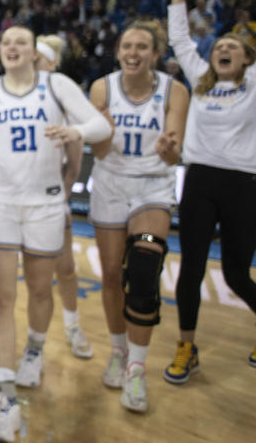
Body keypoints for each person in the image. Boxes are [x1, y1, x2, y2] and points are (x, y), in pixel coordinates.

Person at [0, 25, 111, 441]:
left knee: (37, 288)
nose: (14, 48)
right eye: (7, 43)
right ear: (1, 52)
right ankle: (5, 401)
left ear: (35, 53)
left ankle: (33, 351)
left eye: (22, 43)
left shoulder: (57, 84)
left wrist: (76, 132)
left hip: (45, 203)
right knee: (0, 299)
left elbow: (101, 128)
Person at [165, 0, 256, 382]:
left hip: (246, 183)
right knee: (190, 268)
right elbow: (180, 38)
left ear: (248, 58)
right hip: (199, 179)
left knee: (237, 273)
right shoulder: (200, 81)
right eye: (219, 44)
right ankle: (186, 347)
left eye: (233, 46)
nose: (223, 49)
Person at [87, 21, 188, 412]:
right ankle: (117, 350)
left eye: (142, 47)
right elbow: (97, 153)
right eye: (127, 45)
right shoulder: (102, 88)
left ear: (155, 54)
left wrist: (168, 148)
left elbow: (174, 154)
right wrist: (104, 134)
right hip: (110, 184)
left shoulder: (174, 91)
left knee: (144, 274)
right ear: (118, 51)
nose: (133, 52)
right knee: (112, 275)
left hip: (152, 186)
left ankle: (136, 369)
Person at [34, 34, 93, 361]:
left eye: (37, 60)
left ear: (52, 63)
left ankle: (72, 325)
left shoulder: (61, 93)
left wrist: (64, 192)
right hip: (13, 198)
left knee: (65, 266)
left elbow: (75, 154)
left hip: (50, 197)